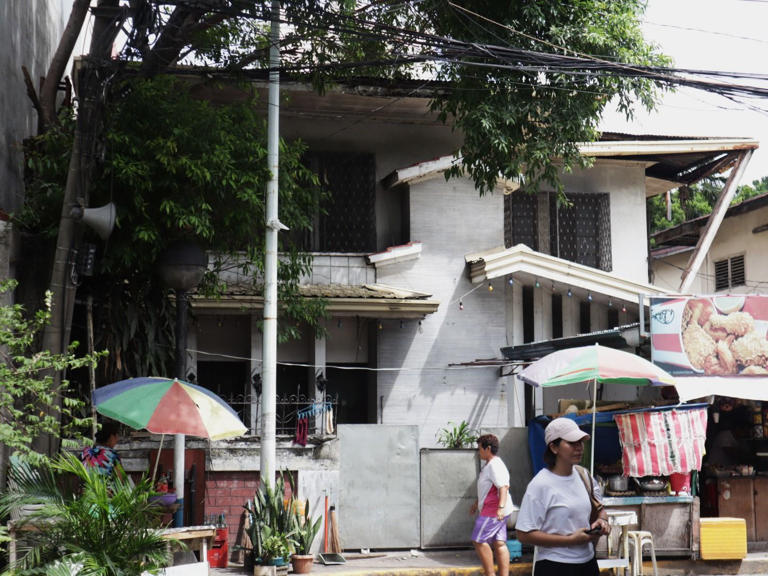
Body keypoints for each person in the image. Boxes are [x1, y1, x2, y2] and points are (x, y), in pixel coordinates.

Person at [515, 418, 609, 576]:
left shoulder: (584, 475)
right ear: (553, 447)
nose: (579, 447)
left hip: (588, 564)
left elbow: (600, 510)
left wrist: (603, 521)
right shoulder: (540, 484)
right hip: (555, 566)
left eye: (580, 442)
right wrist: (569, 540)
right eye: (572, 443)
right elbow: (523, 534)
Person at [470, 433, 514, 576]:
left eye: (480, 449)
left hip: (493, 511)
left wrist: (500, 508)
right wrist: (477, 503)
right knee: (499, 543)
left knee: (478, 540)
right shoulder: (492, 464)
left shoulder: (494, 465)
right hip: (497, 510)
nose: (478, 452)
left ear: (487, 448)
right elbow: (488, 488)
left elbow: (503, 487)